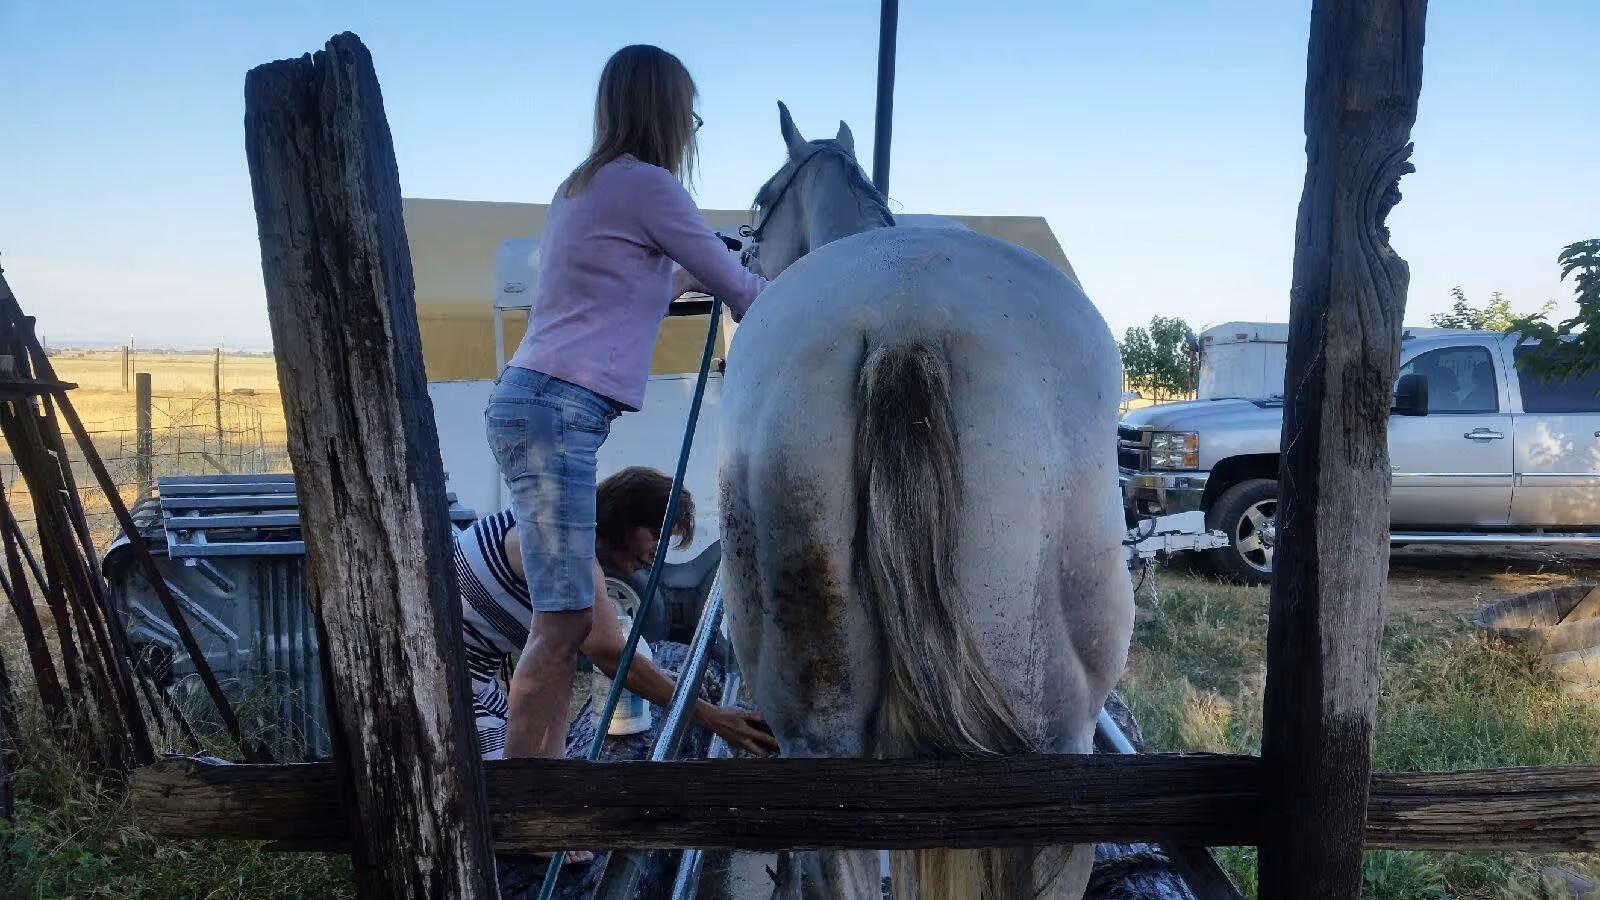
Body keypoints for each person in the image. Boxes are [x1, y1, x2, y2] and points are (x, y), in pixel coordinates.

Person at [484, 44, 767, 764]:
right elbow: (746, 296)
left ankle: (547, 796)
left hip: (541, 404)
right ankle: (530, 811)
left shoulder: (586, 188)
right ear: (667, 112)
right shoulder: (649, 187)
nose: (693, 130)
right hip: (557, 411)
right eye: (690, 115)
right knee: (563, 623)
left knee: (568, 619)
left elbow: (626, 295)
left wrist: (686, 274)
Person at [457, 466, 778, 762]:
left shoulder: (563, 525)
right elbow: (611, 654)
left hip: (475, 678)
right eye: (657, 536)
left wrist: (666, 682)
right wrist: (712, 716)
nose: (654, 557)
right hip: (456, 684)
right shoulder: (565, 547)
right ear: (628, 519)